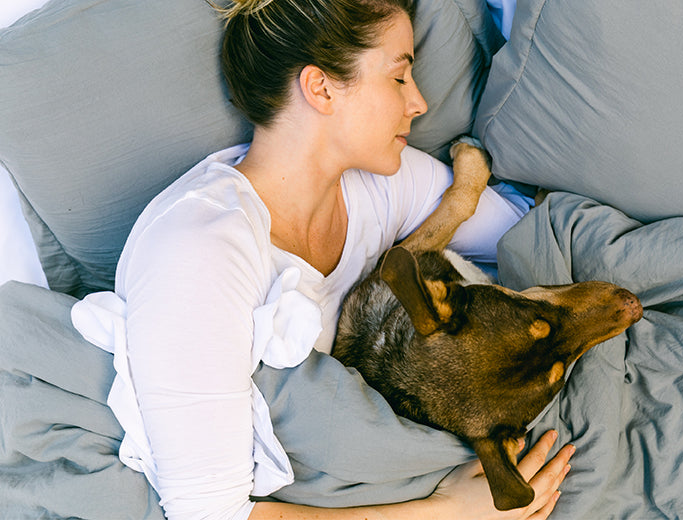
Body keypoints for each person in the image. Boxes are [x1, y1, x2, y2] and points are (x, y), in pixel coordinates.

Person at [69, 0, 574, 518]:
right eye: (400, 77)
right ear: (321, 88)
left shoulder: (379, 185)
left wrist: (460, 205)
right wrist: (449, 511)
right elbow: (208, 514)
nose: (419, 104)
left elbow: (532, 240)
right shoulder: (200, 249)